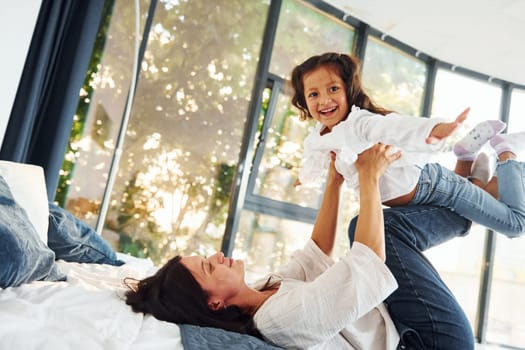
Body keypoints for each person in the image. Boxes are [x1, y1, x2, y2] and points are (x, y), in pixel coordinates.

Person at [124, 143, 491, 349]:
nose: (217, 256)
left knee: (372, 228)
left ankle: (468, 195)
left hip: (400, 319)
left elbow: (314, 251)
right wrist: (369, 177)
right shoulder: (277, 319)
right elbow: (368, 265)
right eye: (208, 266)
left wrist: (332, 183)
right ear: (215, 304)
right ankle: (470, 200)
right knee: (387, 232)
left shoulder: (266, 290)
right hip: (431, 342)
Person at [290, 52, 525, 238]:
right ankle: (466, 155)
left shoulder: (358, 123)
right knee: (476, 205)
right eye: (313, 94)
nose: (324, 100)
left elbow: (397, 127)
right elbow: (314, 161)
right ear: (304, 101)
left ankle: (506, 151)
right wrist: (305, 178)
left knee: (514, 225)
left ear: (348, 91)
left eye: (333, 89)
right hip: (419, 196)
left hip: (432, 185)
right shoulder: (316, 139)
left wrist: (437, 130)